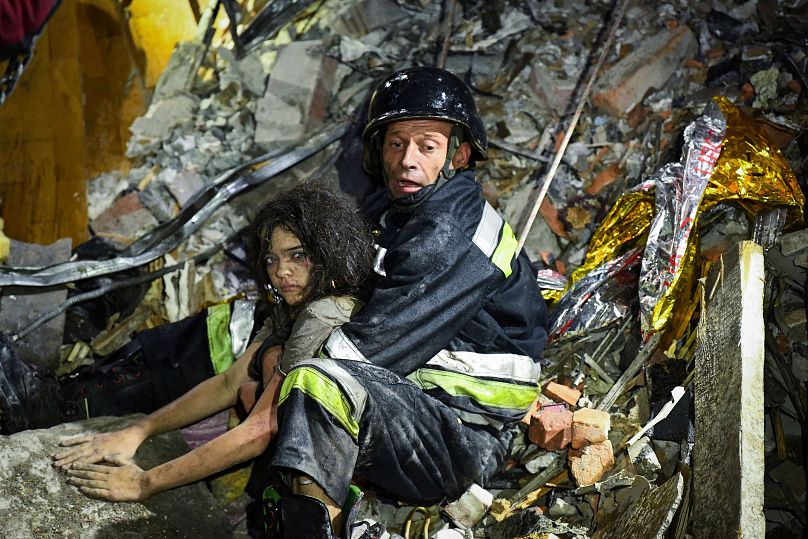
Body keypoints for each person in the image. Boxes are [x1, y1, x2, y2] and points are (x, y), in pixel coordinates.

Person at [255, 66, 549, 537]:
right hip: (422, 413)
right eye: (396, 143)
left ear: (459, 155)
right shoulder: (404, 214)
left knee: (318, 386)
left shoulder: (446, 231)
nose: (406, 159)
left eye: (427, 146)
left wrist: (282, 383)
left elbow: (363, 352)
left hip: (464, 437)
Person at [53, 182, 376, 523]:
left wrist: (144, 482)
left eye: (298, 256)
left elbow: (261, 428)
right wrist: (138, 431)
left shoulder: (324, 313)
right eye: (272, 259)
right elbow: (226, 384)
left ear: (327, 250)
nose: (282, 271)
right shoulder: (295, 304)